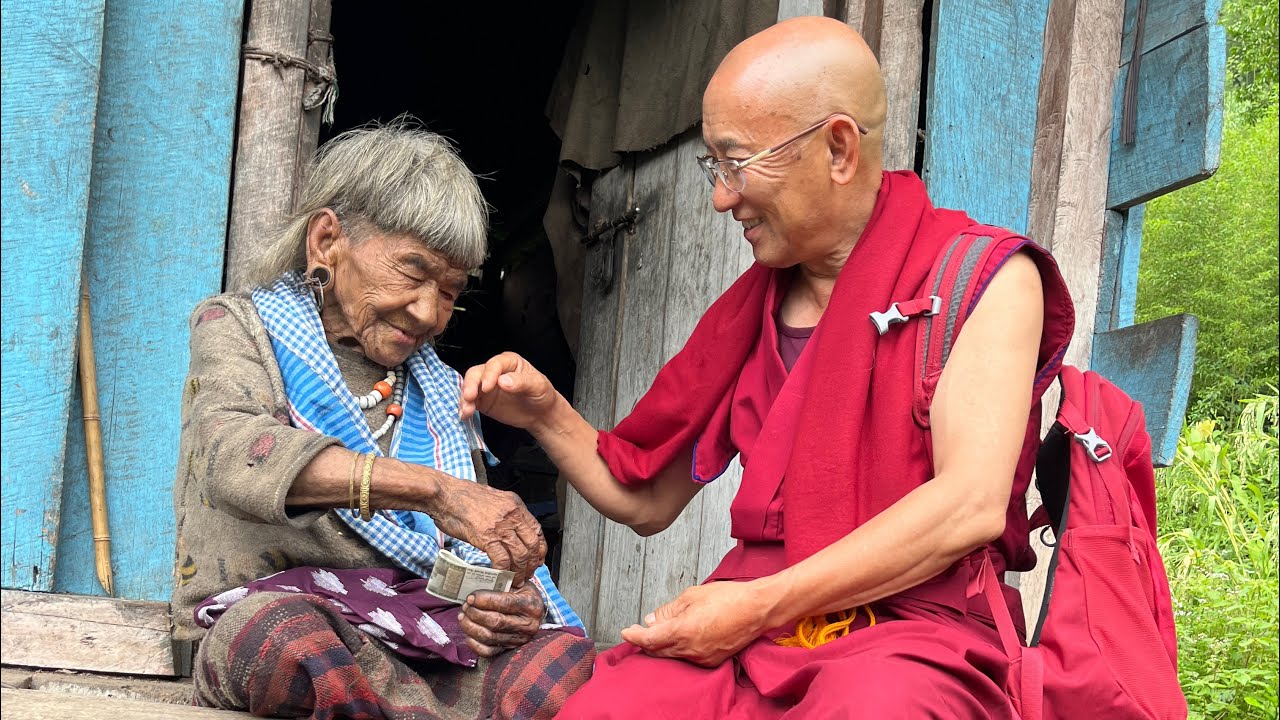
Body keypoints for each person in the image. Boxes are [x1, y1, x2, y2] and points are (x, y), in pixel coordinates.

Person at [461, 16, 1074, 719]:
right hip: (755, 626)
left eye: (736, 162)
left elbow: (968, 507)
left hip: (913, 634)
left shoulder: (983, 279)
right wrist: (545, 412)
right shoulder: (750, 315)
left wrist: (757, 606)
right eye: (712, 168)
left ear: (839, 147)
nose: (721, 196)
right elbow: (647, 501)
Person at [171, 119, 595, 720]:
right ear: (327, 241)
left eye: (450, 291)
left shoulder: (438, 389)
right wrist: (434, 491)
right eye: (414, 272)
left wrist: (503, 605)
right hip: (279, 618)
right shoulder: (239, 328)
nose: (429, 312)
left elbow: (466, 555)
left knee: (562, 673)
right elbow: (232, 454)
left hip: (420, 637)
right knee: (290, 644)